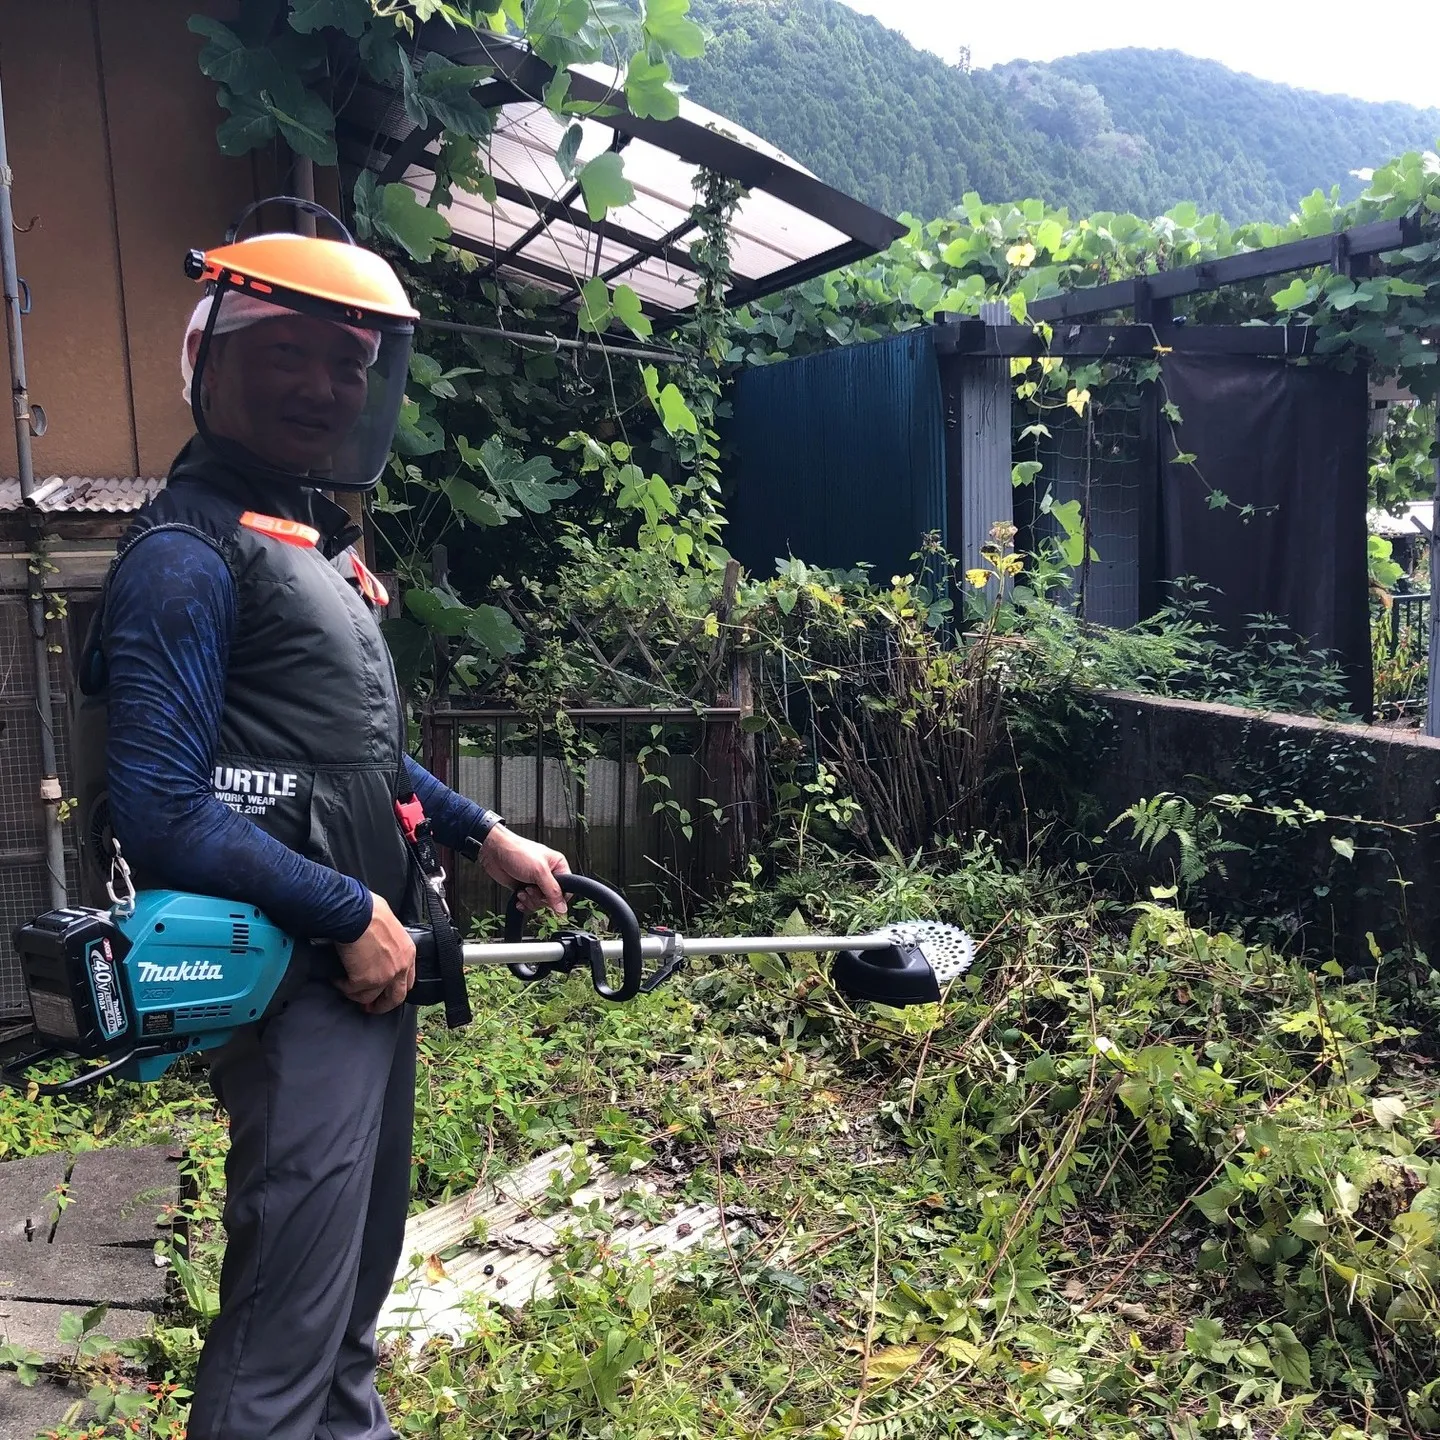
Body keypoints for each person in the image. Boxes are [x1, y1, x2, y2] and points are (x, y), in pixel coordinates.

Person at [71, 214, 568, 1440]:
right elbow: (161, 805)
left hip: (366, 968)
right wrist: (349, 914)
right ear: (213, 364)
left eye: (350, 363)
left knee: (354, 1285)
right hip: (301, 974)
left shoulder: (296, 541)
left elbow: (351, 755)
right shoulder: (186, 557)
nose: (326, 385)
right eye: (291, 352)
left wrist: (480, 832)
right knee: (286, 1318)